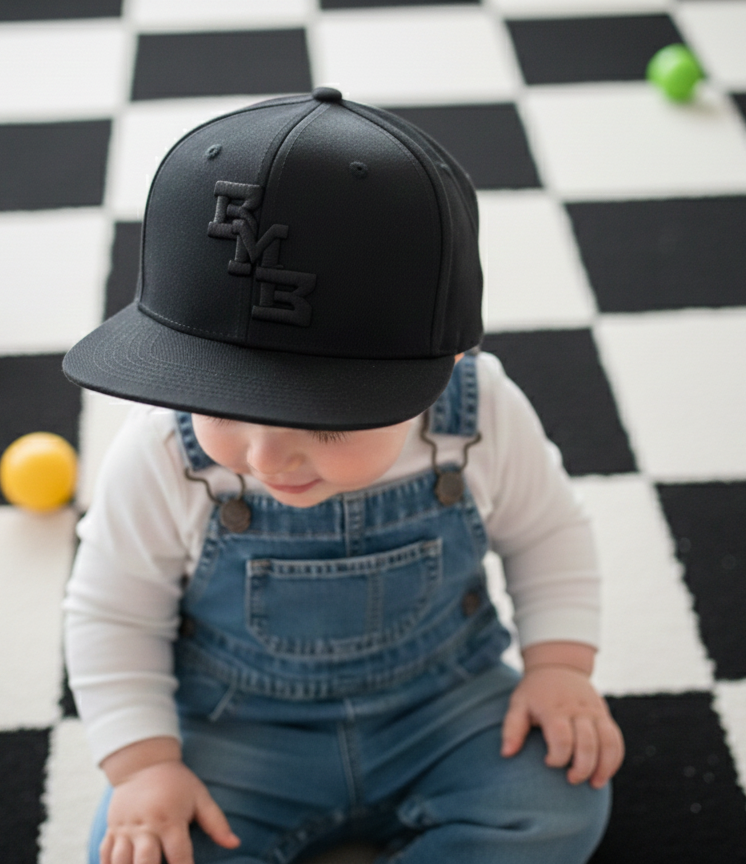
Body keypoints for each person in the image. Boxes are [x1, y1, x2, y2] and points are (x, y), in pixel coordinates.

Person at [62, 87, 624, 864]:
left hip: (445, 706)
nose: (266, 459)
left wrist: (560, 667)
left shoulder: (479, 411)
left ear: (447, 361)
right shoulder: (161, 450)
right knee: (140, 848)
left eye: (327, 424)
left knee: (558, 799)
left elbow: (548, 533)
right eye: (220, 411)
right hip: (242, 729)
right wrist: (145, 764)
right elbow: (111, 612)